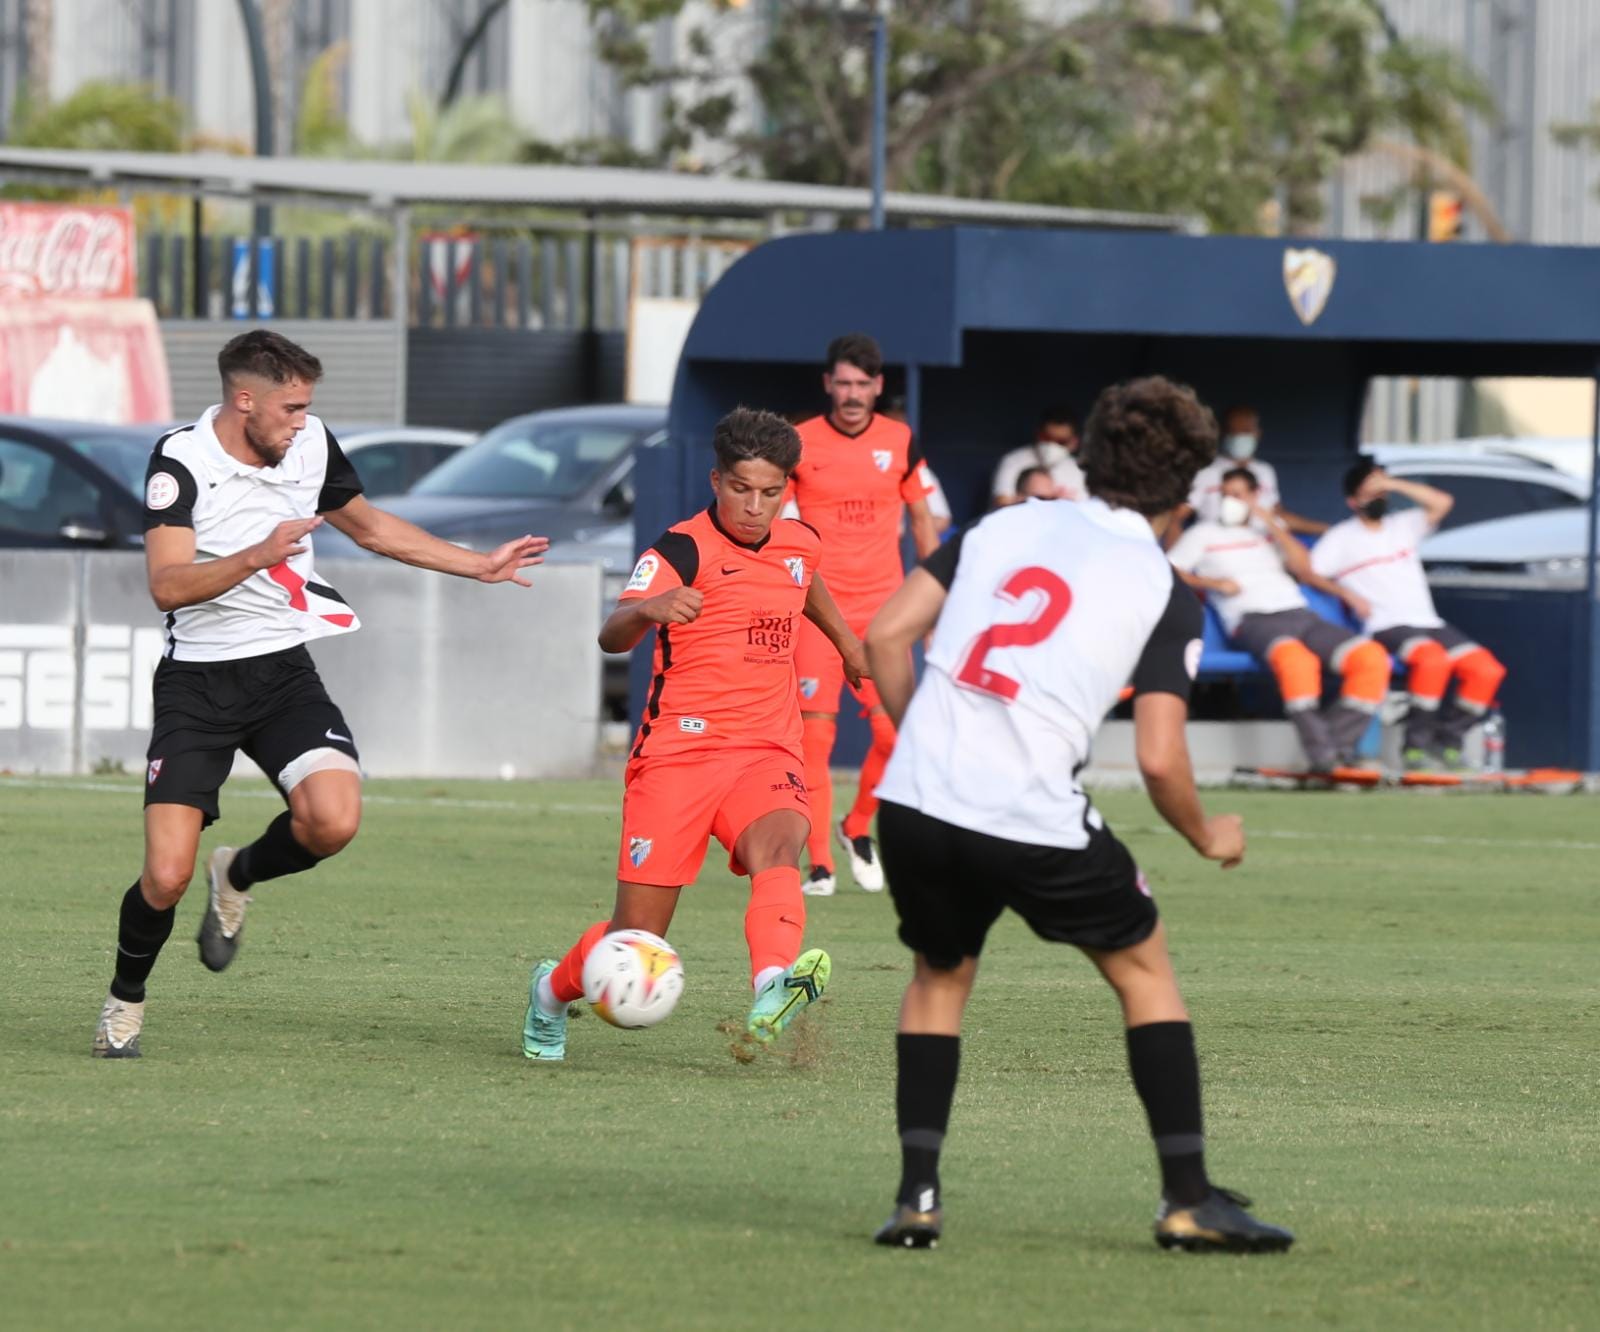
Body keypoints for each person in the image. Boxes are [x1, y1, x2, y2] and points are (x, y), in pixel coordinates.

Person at [863, 376, 1292, 1254]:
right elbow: (1162, 757)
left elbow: (884, 635)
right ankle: (1187, 1199)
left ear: (1090, 454)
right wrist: (1211, 835)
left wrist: (928, 744)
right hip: (1025, 811)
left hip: (914, 800)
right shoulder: (1162, 584)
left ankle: (917, 1201)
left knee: (939, 976)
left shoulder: (1002, 525)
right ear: (1187, 488)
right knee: (1143, 966)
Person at [93, 330, 548, 1059]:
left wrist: (478, 566)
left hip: (281, 673)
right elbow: (166, 585)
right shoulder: (180, 462)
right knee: (164, 875)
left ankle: (236, 871)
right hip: (198, 684)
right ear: (246, 402)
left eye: (307, 408)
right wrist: (257, 556)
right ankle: (124, 1004)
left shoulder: (311, 445)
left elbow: (367, 526)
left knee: (333, 821)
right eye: (291, 407)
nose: (302, 421)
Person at [522, 407, 867, 1061]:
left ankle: (773, 983)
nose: (755, 506)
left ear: (787, 488)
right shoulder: (681, 548)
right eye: (741, 489)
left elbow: (805, 580)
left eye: (771, 492)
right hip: (677, 757)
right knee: (634, 948)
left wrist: (848, 644)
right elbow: (611, 633)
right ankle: (549, 992)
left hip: (764, 747)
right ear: (716, 480)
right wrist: (648, 609)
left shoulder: (799, 541)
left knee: (781, 847)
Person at [786, 333, 939, 897]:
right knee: (815, 741)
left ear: (878, 387)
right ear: (828, 384)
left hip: (884, 614)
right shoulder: (798, 442)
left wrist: (938, 600)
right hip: (819, 614)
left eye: (862, 385)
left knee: (897, 734)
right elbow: (778, 524)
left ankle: (857, 826)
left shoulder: (900, 441)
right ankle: (821, 864)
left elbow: (923, 523)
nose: (851, 395)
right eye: (842, 383)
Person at [1168, 468, 1390, 773]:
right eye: (1225, 495)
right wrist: (1215, 584)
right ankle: (1324, 755)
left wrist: (1272, 522)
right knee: (1298, 663)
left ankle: (1335, 745)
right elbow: (1169, 569)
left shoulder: (1266, 534)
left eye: (1238, 495)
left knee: (1371, 658)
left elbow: (1303, 567)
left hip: (1299, 614)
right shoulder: (1203, 533)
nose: (1230, 501)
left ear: (1255, 496)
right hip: (1254, 619)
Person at [1312, 461, 1507, 770]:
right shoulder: (1341, 536)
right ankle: (1415, 747)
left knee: (1486, 669)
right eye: (1368, 492)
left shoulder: (1403, 524)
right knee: (1432, 660)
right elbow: (1310, 572)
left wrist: (1391, 484)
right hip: (1386, 624)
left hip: (1428, 621)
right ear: (1353, 501)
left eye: (1380, 490)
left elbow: (1443, 503)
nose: (1377, 497)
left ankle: (1448, 741)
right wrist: (1347, 594)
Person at [1175, 404, 1326, 539]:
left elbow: (1278, 516)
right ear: (1223, 434)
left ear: (1257, 434)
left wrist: (1327, 530)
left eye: (1246, 431)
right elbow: (1175, 518)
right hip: (1218, 548)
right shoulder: (1206, 473)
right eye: (1234, 432)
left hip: (1260, 548)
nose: (1240, 437)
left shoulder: (1265, 471)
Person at [990, 405, 1083, 504]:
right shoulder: (1013, 461)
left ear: (1074, 442)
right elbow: (1002, 503)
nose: (1052, 445)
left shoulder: (1080, 470)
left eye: (1061, 442)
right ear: (1038, 433)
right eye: (1046, 438)